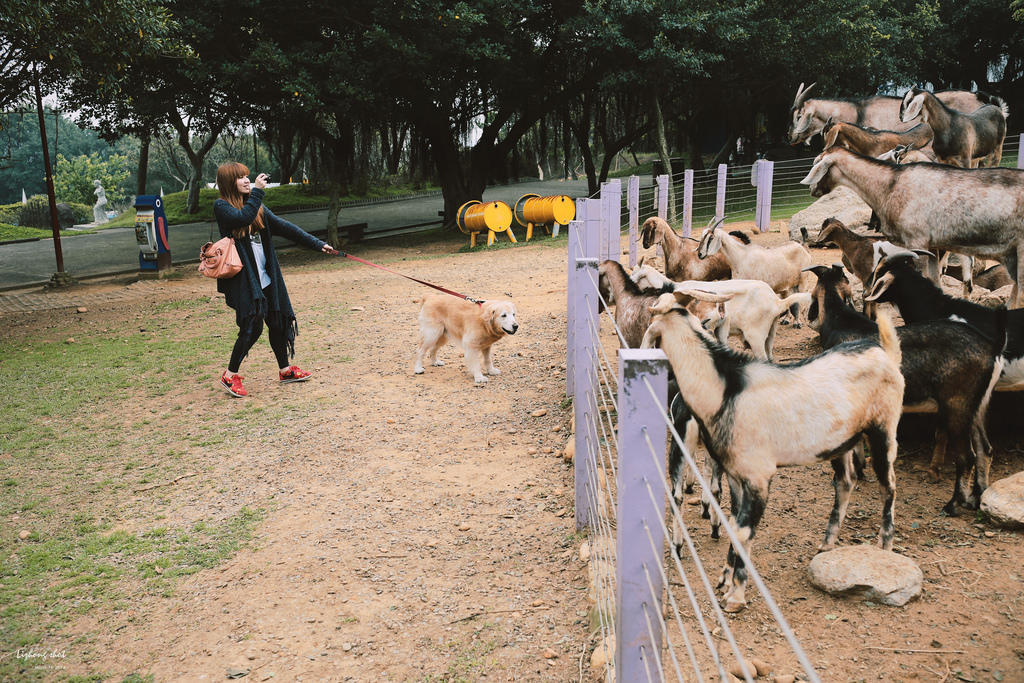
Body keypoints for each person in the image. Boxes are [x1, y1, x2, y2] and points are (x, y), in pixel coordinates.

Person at [213, 161, 336, 397]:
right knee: (253, 326)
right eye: (241, 177)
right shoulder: (222, 206)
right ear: (229, 182)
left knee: (278, 321)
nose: (247, 180)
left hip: (266, 276)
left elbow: (284, 227)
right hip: (244, 280)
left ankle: (285, 370)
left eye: (248, 176)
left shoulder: (257, 207)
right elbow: (242, 217)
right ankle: (229, 375)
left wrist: (318, 244)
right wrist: (258, 191)